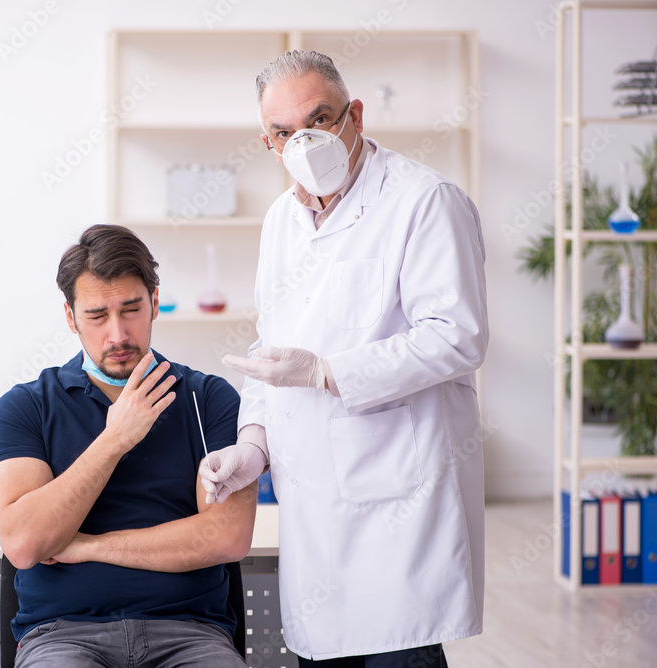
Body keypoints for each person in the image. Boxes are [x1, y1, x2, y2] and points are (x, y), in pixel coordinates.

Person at [199, 50, 489, 667]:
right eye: (284, 132)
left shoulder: (423, 200)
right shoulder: (280, 220)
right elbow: (270, 350)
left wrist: (328, 373)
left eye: (320, 119)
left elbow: (457, 336)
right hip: (314, 517)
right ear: (268, 143)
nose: (303, 143)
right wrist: (252, 445)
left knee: (398, 650)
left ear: (354, 116)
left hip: (401, 507)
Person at [0, 224, 256, 668]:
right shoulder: (25, 407)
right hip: (62, 637)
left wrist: (89, 546)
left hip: (191, 634)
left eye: (131, 309)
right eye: (96, 316)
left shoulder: (208, 399)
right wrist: (114, 440)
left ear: (154, 302)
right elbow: (25, 542)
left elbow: (227, 536)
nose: (118, 335)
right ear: (71, 317)